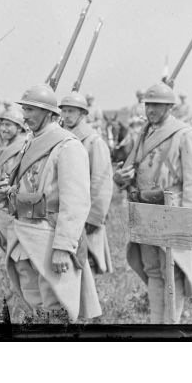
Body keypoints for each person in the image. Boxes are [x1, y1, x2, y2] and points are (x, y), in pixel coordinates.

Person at [0, 84, 101, 323]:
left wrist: (63, 248)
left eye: (32, 110)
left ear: (50, 113)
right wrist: (6, 193)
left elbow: (76, 203)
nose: (26, 115)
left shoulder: (68, 145)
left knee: (56, 310)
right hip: (23, 239)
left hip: (48, 239)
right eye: (25, 109)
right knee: (36, 307)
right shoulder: (30, 142)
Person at [114, 82, 192, 324]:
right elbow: (130, 171)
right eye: (148, 104)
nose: (150, 110)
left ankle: (170, 327)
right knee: (153, 270)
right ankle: (156, 326)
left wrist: (188, 222)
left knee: (172, 271)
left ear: (169, 107)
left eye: (156, 105)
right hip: (146, 211)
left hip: (172, 212)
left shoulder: (185, 135)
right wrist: (121, 178)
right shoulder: (144, 134)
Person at [59, 91, 114, 274]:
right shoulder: (60, 137)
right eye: (64, 111)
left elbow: (101, 181)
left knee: (85, 267)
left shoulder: (93, 141)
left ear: (82, 114)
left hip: (85, 216)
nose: (66, 116)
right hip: (64, 213)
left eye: (71, 111)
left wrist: (94, 217)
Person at [0, 108, 29, 252]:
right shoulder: (5, 146)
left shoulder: (22, 147)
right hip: (0, 204)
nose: (3, 129)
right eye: (2, 125)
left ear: (19, 128)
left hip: (12, 206)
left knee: (17, 251)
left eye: (8, 125)